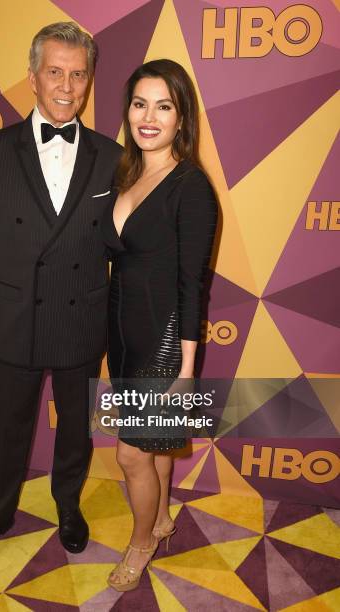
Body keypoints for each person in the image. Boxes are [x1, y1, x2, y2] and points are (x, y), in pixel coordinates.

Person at [0, 22, 122, 566]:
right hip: (15, 319)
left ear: (90, 79)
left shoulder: (111, 155)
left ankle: (68, 506)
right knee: (7, 428)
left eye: (78, 75)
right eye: (55, 72)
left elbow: (126, 248)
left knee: (75, 428)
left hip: (82, 317)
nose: (67, 86)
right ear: (32, 78)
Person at [100, 59, 218, 591]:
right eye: (140, 103)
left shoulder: (190, 186)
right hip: (123, 338)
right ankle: (163, 516)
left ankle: (142, 540)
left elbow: (193, 283)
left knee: (131, 454)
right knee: (155, 448)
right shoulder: (127, 173)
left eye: (163, 106)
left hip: (165, 344)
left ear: (181, 117)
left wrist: (187, 368)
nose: (149, 117)